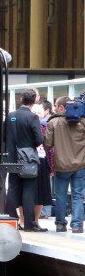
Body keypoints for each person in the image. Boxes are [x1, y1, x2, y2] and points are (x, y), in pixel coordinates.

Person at [5, 89, 45, 232]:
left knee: (13, 188)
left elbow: (5, 137)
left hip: (12, 158)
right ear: (34, 101)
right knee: (28, 190)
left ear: (21, 99)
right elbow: (39, 139)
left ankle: (10, 219)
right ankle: (29, 224)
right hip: (28, 159)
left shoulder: (10, 116)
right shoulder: (32, 118)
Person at [44, 96, 85, 233]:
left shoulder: (54, 122)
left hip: (61, 165)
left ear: (62, 107)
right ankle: (77, 225)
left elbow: (48, 144)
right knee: (78, 195)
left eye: (56, 105)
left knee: (61, 195)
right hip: (80, 164)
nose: (54, 108)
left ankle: (61, 224)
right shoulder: (83, 121)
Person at [30, 103, 53, 223]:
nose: (37, 115)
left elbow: (49, 147)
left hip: (43, 160)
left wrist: (51, 166)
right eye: (35, 113)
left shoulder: (45, 126)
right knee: (30, 191)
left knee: (41, 193)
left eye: (39, 113)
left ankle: (37, 220)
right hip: (29, 160)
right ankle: (26, 220)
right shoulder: (27, 126)